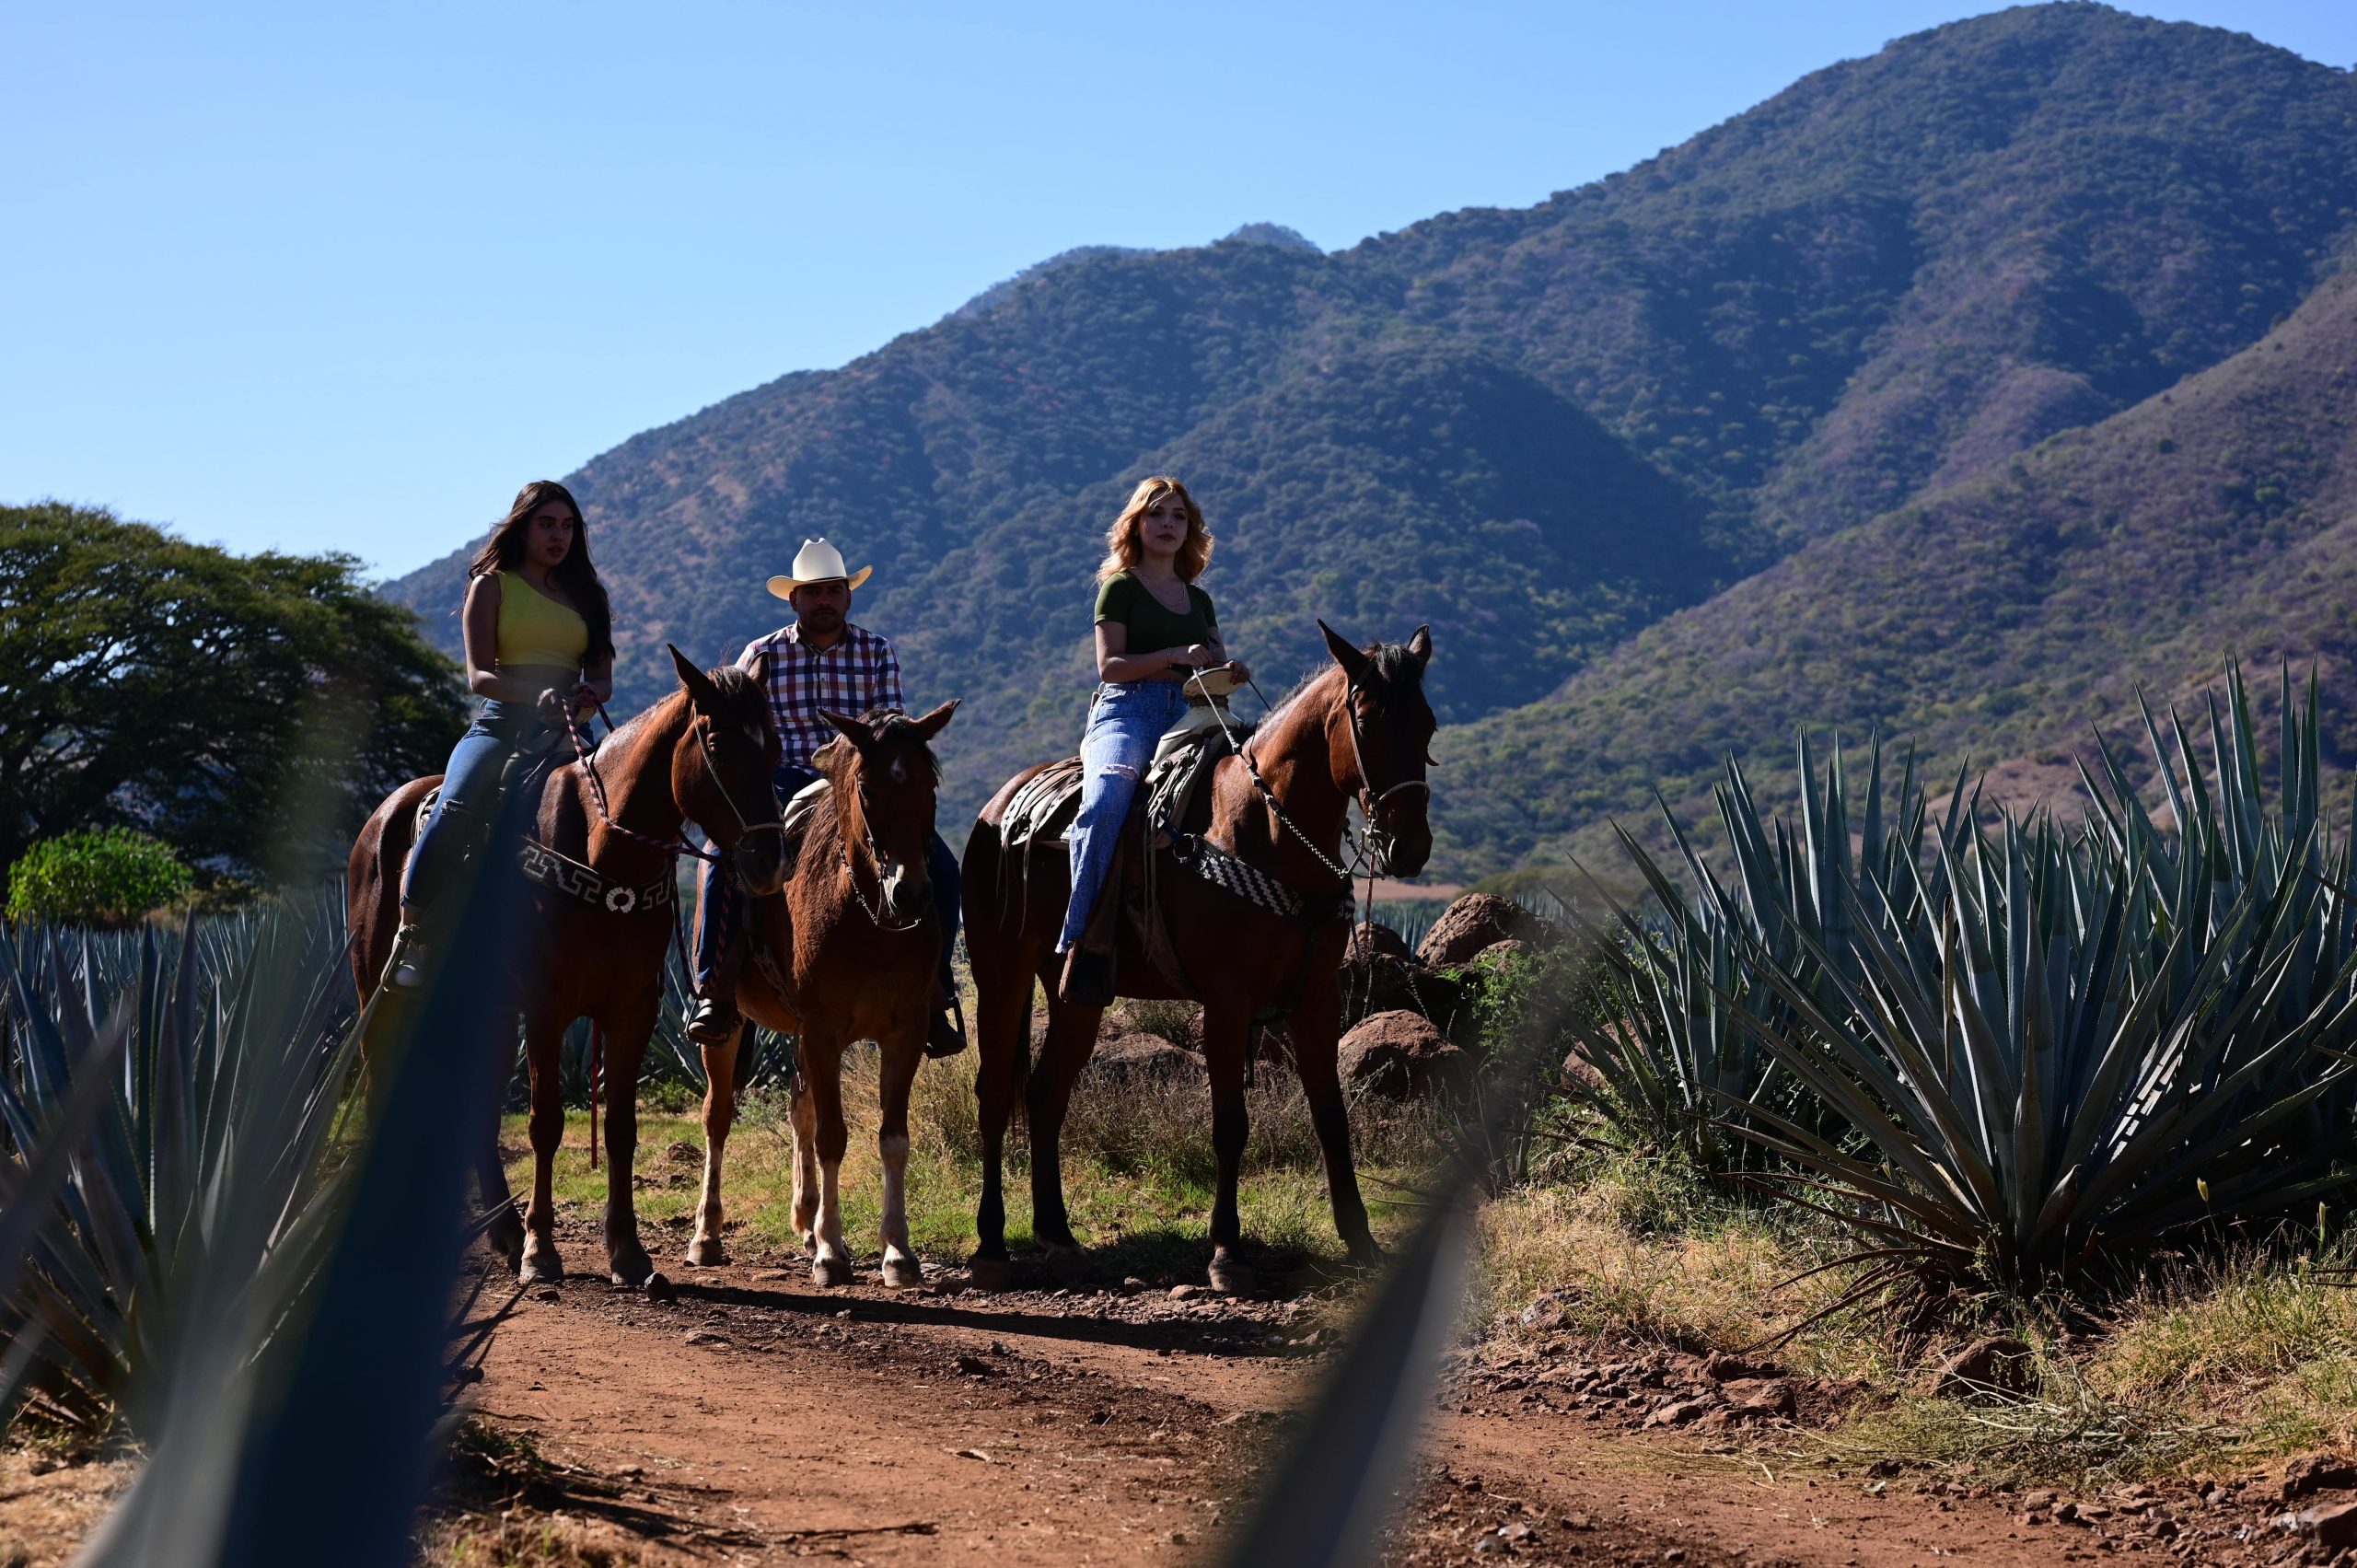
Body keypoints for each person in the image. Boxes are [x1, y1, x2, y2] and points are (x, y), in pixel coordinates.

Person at [685, 538, 967, 1056]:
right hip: (782, 780)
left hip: (861, 783)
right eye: (813, 593)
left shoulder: (876, 652)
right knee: (722, 859)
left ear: (848, 597)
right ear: (793, 600)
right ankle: (714, 990)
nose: (824, 602)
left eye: (834, 591)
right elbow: (746, 734)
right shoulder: (761, 655)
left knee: (943, 870)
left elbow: (893, 730)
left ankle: (934, 988)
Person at [390, 479, 615, 986]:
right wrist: (534, 693)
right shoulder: (491, 585)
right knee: (458, 805)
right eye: (546, 524)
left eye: (567, 526)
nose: (558, 536)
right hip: (501, 724)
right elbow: (479, 676)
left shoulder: (588, 596)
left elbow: (602, 678)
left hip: (568, 733)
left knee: (616, 815)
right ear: (523, 527)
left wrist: (588, 695)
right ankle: (413, 935)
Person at [1055, 476, 1247, 1005]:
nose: (1168, 525)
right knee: (1109, 795)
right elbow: (1109, 667)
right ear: (1136, 525)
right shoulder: (1120, 588)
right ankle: (1084, 939)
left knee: (1254, 785)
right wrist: (1173, 655)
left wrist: (1231, 669)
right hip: (1128, 712)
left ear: (1191, 530)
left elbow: (1211, 663)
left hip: (1194, 710)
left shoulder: (1200, 600)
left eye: (1178, 516)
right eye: (1156, 514)